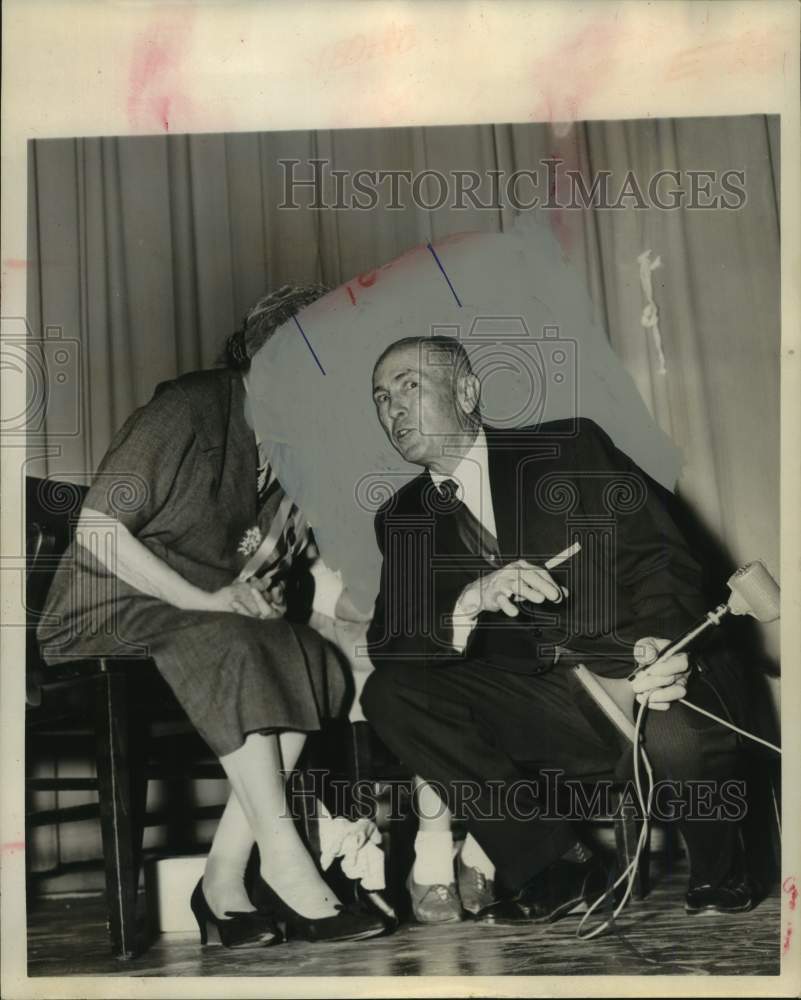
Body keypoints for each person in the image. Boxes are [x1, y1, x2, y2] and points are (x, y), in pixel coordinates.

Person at [361, 334, 754, 922]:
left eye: (409, 386)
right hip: (546, 712)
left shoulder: (568, 449)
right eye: (380, 399)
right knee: (389, 693)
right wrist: (468, 602)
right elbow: (389, 643)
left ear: (467, 392)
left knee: (677, 735)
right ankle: (556, 866)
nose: (393, 409)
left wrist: (665, 646)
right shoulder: (402, 517)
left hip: (644, 668)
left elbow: (663, 560)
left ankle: (723, 871)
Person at [38, 285, 386, 947]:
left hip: (192, 621)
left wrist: (259, 596)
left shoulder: (289, 460)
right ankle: (285, 864)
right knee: (237, 644)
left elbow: (248, 567)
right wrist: (208, 601)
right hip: (103, 610)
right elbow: (99, 528)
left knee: (315, 658)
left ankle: (222, 881)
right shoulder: (191, 407)